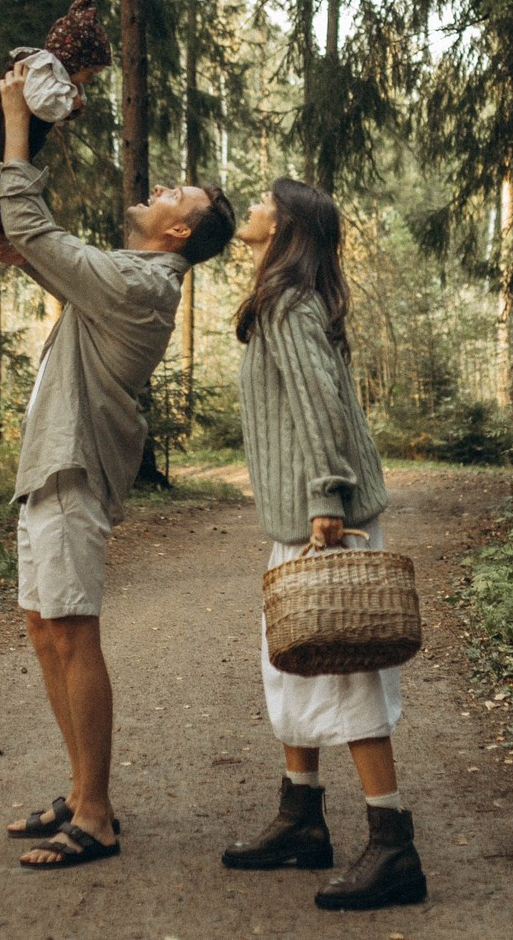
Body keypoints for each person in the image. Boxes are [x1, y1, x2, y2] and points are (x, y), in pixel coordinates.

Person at [0, 64, 236, 870]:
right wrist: (27, 258)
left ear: (175, 234)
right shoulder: (132, 278)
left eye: (176, 194)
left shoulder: (143, 281)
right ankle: (79, 785)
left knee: (73, 630)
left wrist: (16, 120)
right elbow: (44, 251)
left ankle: (94, 815)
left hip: (72, 469)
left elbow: (35, 229)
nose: (161, 187)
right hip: (47, 466)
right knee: (42, 626)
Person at [218, 178, 424, 911]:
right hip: (305, 517)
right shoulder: (287, 300)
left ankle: (393, 842)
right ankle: (302, 817)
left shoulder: (289, 304)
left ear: (288, 226)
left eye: (265, 200)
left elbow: (321, 406)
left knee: (346, 670)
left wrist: (325, 501)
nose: (253, 207)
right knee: (294, 663)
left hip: (324, 516)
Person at [0, 0, 114, 268]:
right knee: (3, 190)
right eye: (90, 73)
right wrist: (69, 104)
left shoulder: (46, 70)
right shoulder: (43, 70)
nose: (89, 79)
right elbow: (42, 105)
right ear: (73, 61)